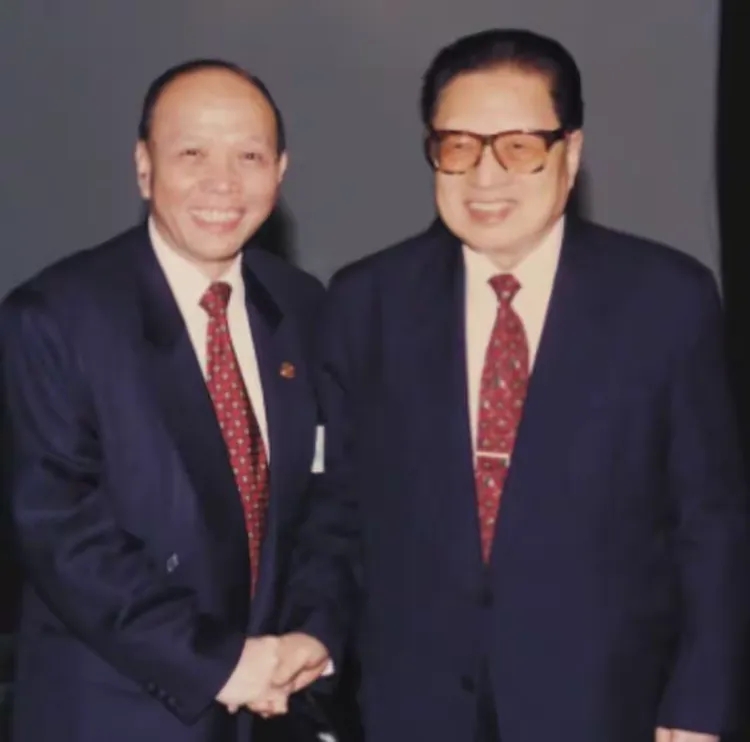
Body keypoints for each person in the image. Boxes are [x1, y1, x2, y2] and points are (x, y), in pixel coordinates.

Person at [273, 29, 750, 742]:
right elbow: (337, 511)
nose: (485, 176)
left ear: (571, 153)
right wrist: (314, 634)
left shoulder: (666, 301)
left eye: (519, 146)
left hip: (609, 703)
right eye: (459, 145)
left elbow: (710, 522)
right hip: (413, 706)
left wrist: (700, 704)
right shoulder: (367, 302)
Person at [1, 59, 330, 742]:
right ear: (144, 167)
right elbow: (63, 534)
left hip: (272, 712)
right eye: (191, 154)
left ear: (281, 171)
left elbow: (325, 502)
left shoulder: (303, 307)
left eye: (249, 156)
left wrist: (314, 633)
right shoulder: (55, 319)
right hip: (115, 715)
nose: (223, 182)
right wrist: (220, 665)